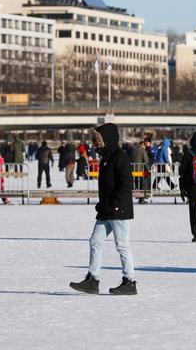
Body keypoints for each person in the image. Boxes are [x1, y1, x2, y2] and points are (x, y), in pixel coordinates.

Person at [70, 123, 137, 296]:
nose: (95, 143)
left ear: (106, 139)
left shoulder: (119, 156)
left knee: (122, 245)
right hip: (106, 209)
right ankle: (93, 279)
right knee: (95, 241)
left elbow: (126, 184)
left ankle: (130, 281)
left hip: (118, 209)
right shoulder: (106, 157)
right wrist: (104, 205)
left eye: (97, 139)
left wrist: (114, 204)